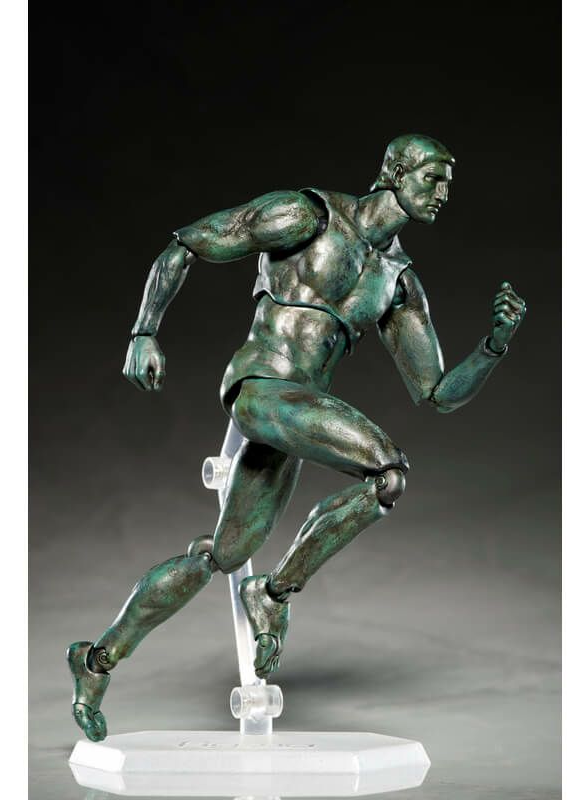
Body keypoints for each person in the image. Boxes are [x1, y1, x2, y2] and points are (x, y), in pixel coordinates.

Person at [67, 133, 526, 742]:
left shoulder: (398, 282)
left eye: (448, 183)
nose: (442, 193)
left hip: (293, 418)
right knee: (387, 471)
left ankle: (96, 660)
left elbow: (437, 392)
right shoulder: (309, 215)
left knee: (219, 556)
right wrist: (143, 332)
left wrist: (493, 346)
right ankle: (275, 595)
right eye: (432, 178)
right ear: (394, 171)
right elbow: (189, 242)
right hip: (261, 389)